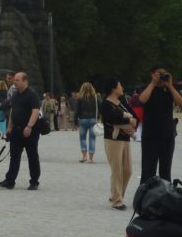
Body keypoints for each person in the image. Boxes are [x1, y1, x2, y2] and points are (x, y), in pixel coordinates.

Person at [0, 71, 42, 190]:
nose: (14, 82)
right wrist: (9, 127)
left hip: (30, 131)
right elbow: (13, 111)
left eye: (17, 80)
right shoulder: (15, 94)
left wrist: (29, 126)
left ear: (25, 81)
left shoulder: (32, 94)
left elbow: (35, 111)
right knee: (14, 155)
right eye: (14, 80)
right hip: (16, 130)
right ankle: (10, 180)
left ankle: (34, 181)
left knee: (32, 156)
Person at [137, 65, 182, 183]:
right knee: (148, 170)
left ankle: (166, 197)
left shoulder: (171, 88)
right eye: (159, 74)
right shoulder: (146, 88)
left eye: (164, 74)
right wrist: (153, 83)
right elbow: (142, 100)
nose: (162, 76)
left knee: (166, 171)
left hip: (167, 135)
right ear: (152, 75)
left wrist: (170, 86)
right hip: (150, 136)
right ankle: (145, 198)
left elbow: (180, 103)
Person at [100, 79, 138, 210]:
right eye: (120, 85)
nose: (122, 87)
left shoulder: (122, 103)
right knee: (117, 170)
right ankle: (117, 200)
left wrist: (129, 120)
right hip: (112, 139)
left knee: (128, 170)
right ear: (113, 88)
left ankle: (117, 194)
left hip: (125, 139)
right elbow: (113, 119)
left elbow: (136, 118)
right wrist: (128, 119)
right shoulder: (105, 104)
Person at [76, 82, 100, 163]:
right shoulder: (95, 97)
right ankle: (91, 158)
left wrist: (76, 120)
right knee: (92, 138)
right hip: (93, 119)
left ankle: (84, 156)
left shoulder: (80, 98)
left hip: (83, 119)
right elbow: (99, 108)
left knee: (82, 138)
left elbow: (77, 110)